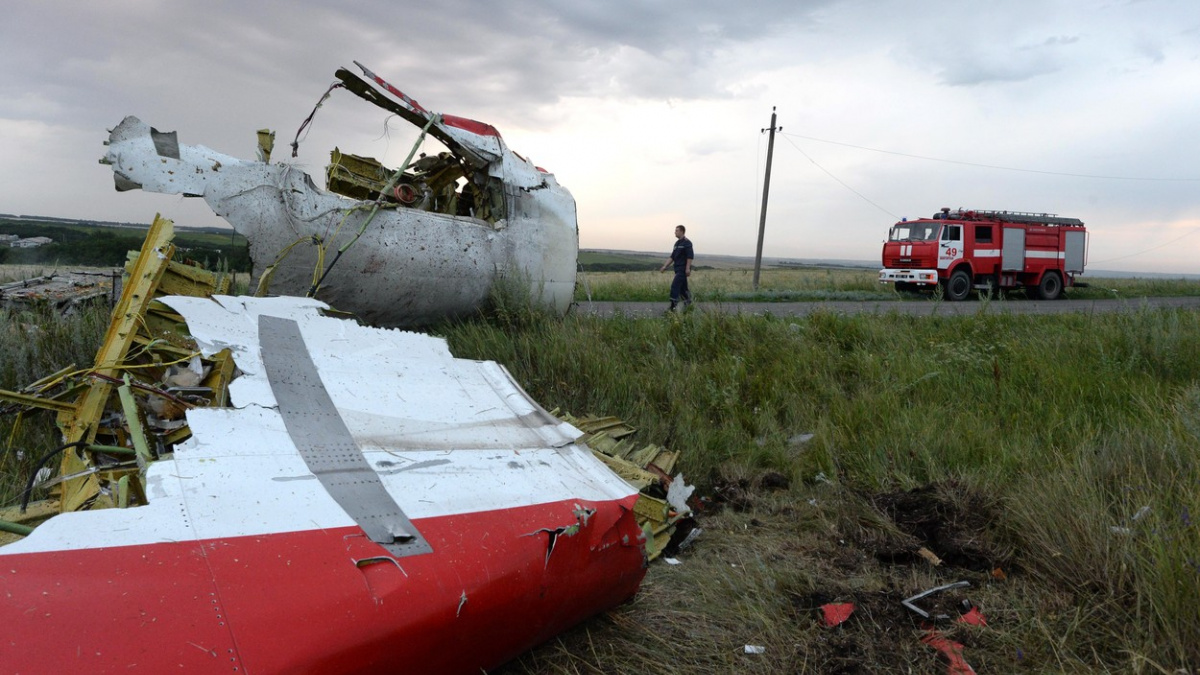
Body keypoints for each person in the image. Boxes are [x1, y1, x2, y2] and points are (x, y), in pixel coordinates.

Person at [659, 224, 693, 311]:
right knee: (683, 288)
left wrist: (687, 268)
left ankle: (672, 307)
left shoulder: (687, 242)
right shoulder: (677, 243)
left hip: (682, 269)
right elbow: (672, 257)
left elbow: (690, 256)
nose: (675, 232)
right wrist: (665, 266)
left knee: (675, 286)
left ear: (682, 231)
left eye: (676, 230)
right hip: (677, 269)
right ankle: (688, 302)